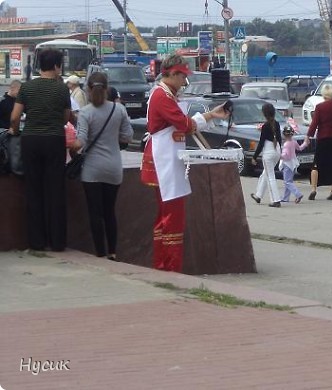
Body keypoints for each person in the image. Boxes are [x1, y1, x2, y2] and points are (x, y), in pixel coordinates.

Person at [140, 53, 228, 272]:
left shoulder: (165, 94)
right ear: (171, 73)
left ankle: (164, 264)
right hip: (165, 161)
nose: (184, 82)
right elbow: (185, 125)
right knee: (172, 217)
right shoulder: (162, 96)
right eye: (182, 77)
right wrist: (209, 116)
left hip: (168, 159)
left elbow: (185, 125)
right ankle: (170, 266)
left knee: (166, 215)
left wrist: (210, 116)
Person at [9, 48, 71, 251]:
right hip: (54, 140)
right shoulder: (62, 89)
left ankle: (37, 242)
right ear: (56, 66)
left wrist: (16, 131)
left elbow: (14, 117)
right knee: (56, 191)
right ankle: (57, 242)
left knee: (33, 189)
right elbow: (66, 117)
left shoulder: (27, 87)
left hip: (31, 140)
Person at [71, 72, 133, 261]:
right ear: (106, 89)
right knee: (109, 211)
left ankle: (100, 253)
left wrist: (71, 149)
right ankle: (113, 252)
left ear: (88, 89)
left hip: (92, 169)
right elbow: (128, 136)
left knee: (95, 213)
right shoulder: (119, 109)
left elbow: (80, 141)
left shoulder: (86, 112)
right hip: (113, 167)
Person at [250, 102, 283, 208]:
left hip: (268, 152)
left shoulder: (265, 126)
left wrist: (254, 157)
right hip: (276, 150)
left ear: (264, 114)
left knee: (270, 176)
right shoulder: (277, 123)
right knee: (266, 173)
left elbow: (261, 143)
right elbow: (279, 139)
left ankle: (276, 200)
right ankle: (258, 195)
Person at [279, 125, 309, 203]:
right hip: (293, 163)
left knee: (287, 182)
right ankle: (285, 198)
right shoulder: (294, 142)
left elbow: (286, 156)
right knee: (289, 181)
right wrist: (305, 143)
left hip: (287, 164)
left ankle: (298, 194)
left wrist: (279, 156)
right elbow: (300, 148)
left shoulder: (286, 145)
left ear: (284, 135)